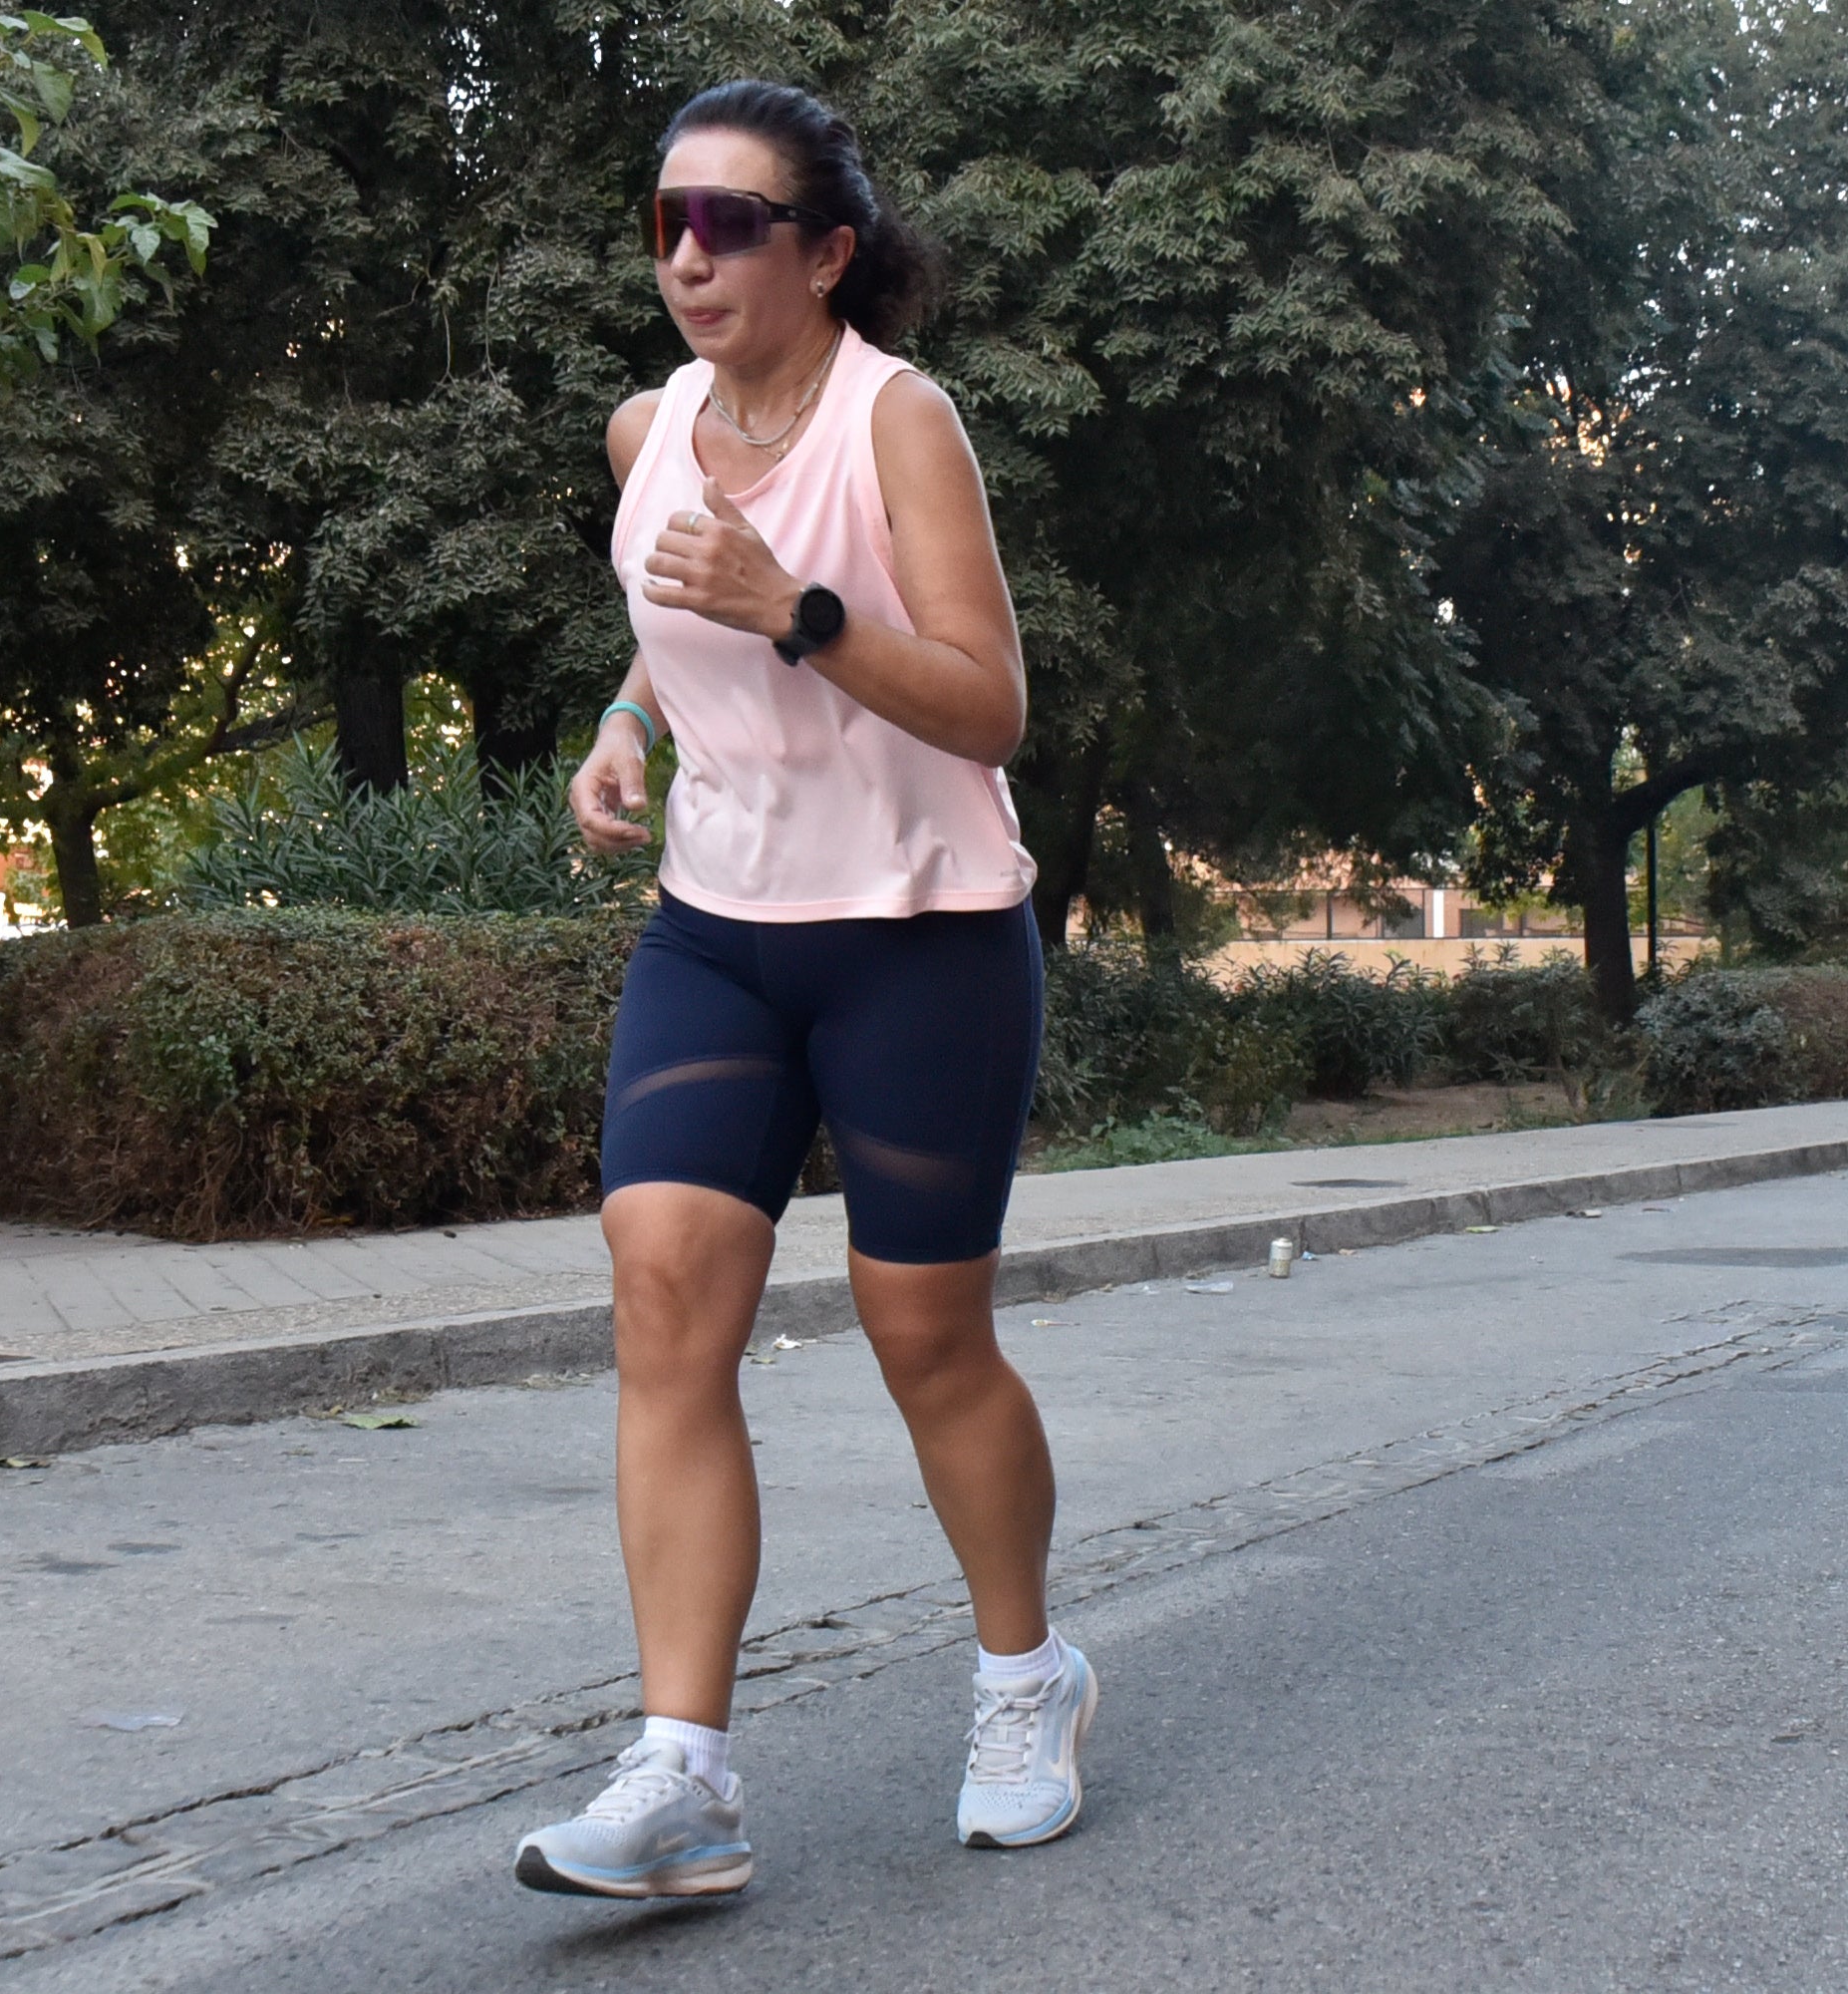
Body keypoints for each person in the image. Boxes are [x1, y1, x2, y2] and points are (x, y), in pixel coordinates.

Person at [512, 80, 1090, 1900]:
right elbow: (666, 617)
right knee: (663, 1299)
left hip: (919, 933)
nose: (687, 257)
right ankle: (682, 1773)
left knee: (925, 1338)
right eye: (665, 220)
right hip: (718, 932)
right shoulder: (647, 429)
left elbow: (991, 706)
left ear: (826, 252)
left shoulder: (896, 421)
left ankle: (1025, 1677)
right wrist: (625, 719)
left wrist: (797, 612)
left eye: (730, 223)